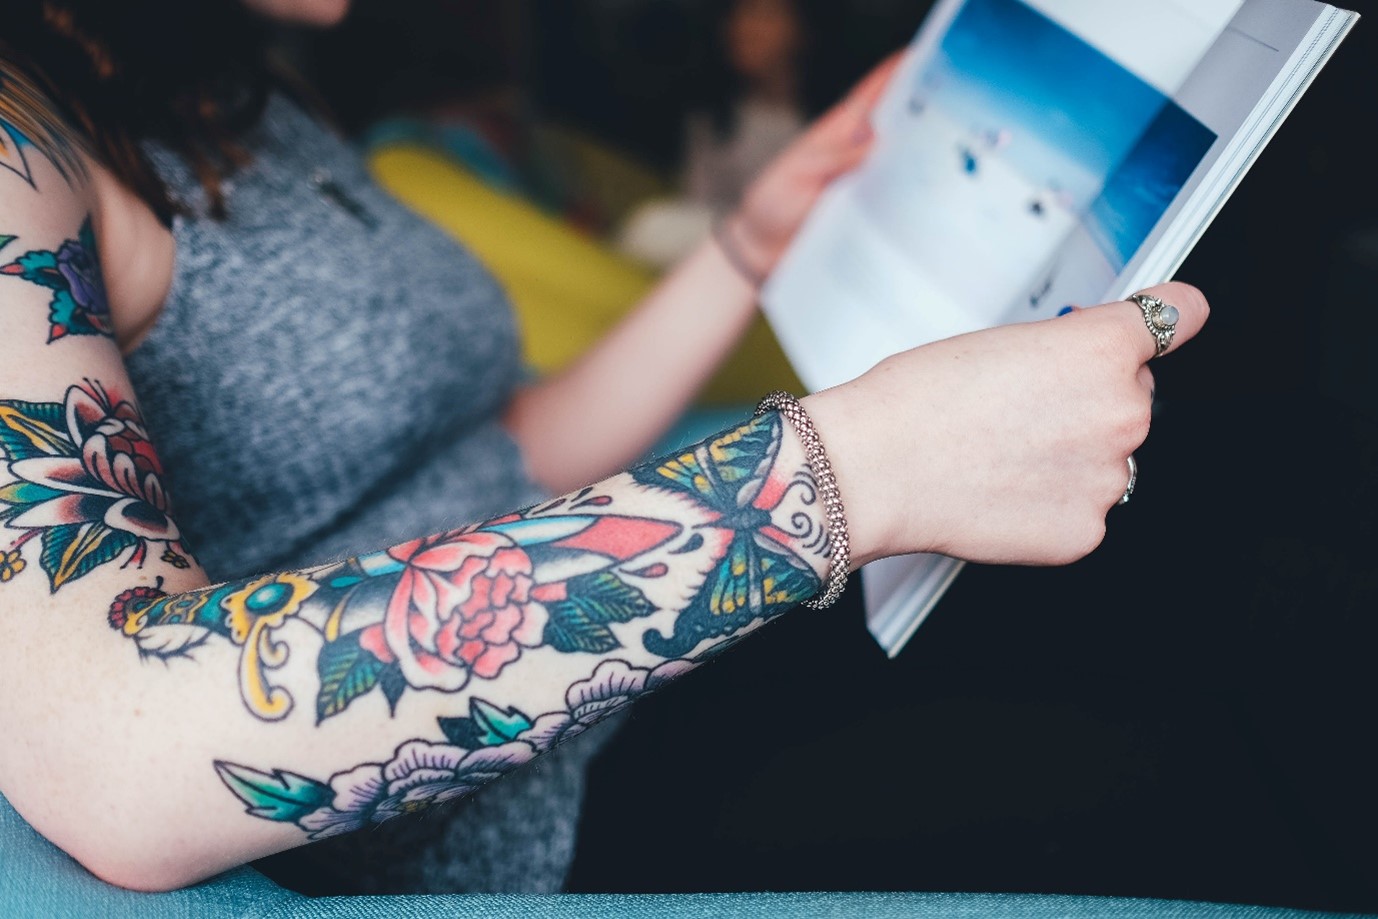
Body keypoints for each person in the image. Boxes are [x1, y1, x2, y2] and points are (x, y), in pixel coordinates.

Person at [0, 0, 1205, 896]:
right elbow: (111, 743)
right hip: (509, 803)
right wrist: (855, 472)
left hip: (640, 648)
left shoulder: (224, 76)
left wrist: (745, 244)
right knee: (1149, 738)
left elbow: (506, 448)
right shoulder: (20, 148)